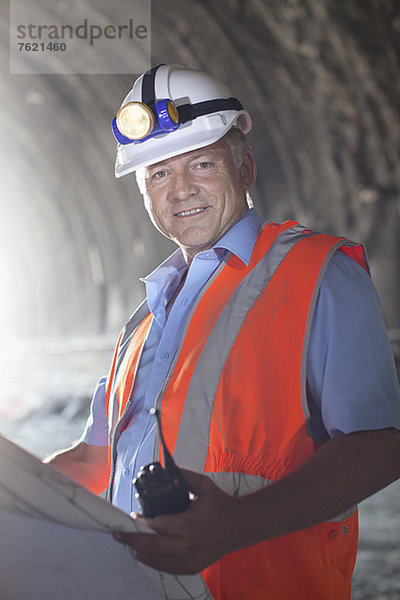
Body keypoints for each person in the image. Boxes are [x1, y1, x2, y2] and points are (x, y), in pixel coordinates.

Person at [47, 64, 400, 600]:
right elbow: (96, 459)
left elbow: (380, 445)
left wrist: (237, 523)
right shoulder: (145, 318)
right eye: (158, 174)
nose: (181, 190)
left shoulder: (317, 274)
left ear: (246, 169)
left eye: (202, 164)